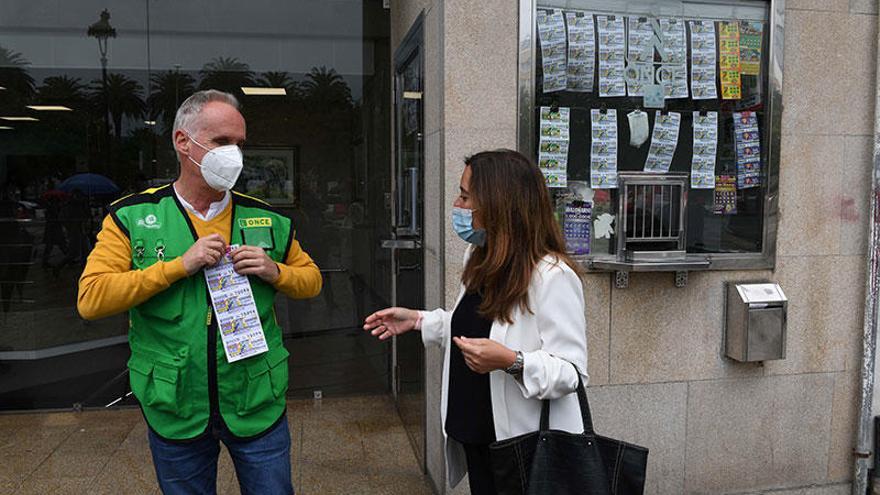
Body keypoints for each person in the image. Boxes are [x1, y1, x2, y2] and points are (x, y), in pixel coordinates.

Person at [77, 90, 322, 495]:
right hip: (175, 403)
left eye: (240, 144)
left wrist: (275, 270)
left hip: (255, 400)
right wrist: (178, 266)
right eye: (222, 142)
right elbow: (92, 299)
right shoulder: (131, 217)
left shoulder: (267, 218)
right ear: (182, 142)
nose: (235, 155)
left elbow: (311, 280)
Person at [363, 150, 588, 494]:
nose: (457, 203)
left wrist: (512, 362)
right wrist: (418, 320)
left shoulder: (552, 275)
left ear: (499, 204)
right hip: (475, 432)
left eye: (466, 196)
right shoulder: (480, 256)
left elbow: (572, 372)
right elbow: (475, 325)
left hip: (519, 446)